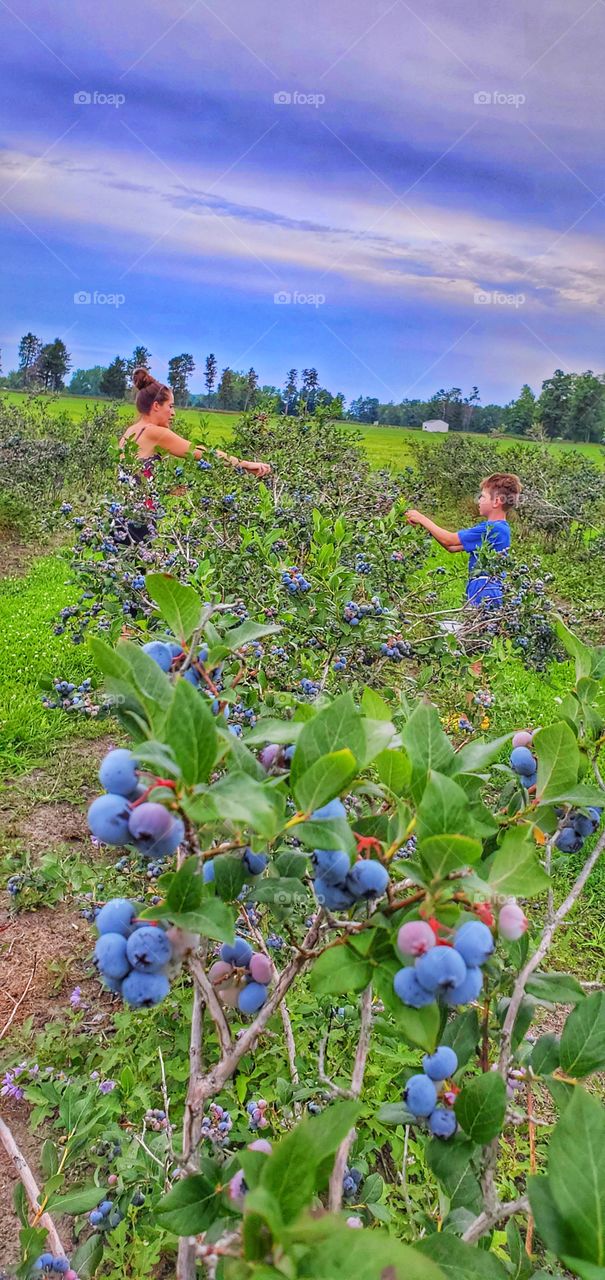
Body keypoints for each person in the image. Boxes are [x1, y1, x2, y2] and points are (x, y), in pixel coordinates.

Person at [119, 368, 271, 478]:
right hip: (139, 521)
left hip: (121, 519)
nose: (173, 413)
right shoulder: (154, 432)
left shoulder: (131, 432)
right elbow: (202, 453)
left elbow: (135, 479)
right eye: (170, 406)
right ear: (157, 405)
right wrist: (245, 464)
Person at [406, 471, 522, 606]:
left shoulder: (493, 529)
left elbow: (449, 540)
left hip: (485, 589)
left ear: (496, 501)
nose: (479, 500)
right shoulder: (498, 528)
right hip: (482, 587)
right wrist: (425, 526)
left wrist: (421, 518)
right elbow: (451, 547)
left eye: (482, 497)